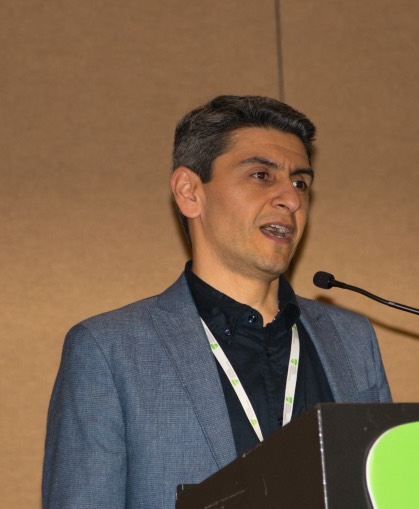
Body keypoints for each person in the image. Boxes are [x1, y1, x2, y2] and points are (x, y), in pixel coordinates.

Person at [42, 95, 391, 508]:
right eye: (262, 175)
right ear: (189, 192)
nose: (292, 199)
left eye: (300, 183)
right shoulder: (110, 350)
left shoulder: (351, 340)